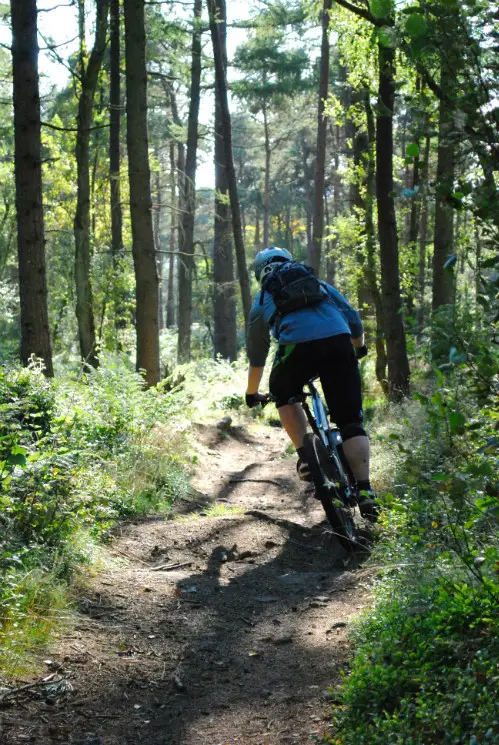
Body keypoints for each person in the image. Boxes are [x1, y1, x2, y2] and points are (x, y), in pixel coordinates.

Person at [245, 246, 378, 520]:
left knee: (284, 393)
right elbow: (353, 319)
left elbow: (257, 356)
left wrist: (251, 393)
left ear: (260, 273)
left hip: (297, 349)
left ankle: (306, 457)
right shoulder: (318, 284)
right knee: (351, 422)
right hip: (339, 343)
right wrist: (358, 349)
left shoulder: (262, 298)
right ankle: (366, 491)